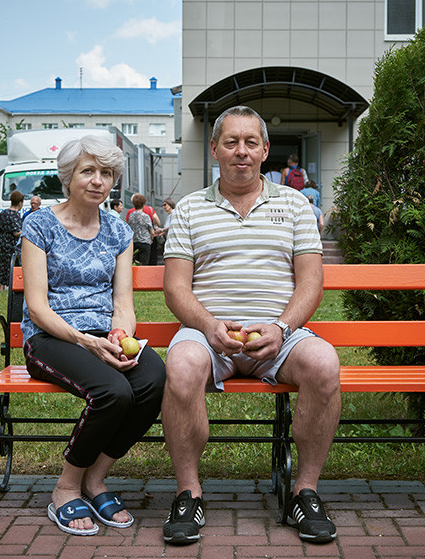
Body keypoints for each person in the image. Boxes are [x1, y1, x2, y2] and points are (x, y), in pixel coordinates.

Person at [160, 106, 340, 545]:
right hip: (208, 334)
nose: (241, 151)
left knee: (324, 363)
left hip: (279, 334)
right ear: (215, 149)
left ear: (264, 150)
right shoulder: (189, 209)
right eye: (231, 142)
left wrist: (281, 327)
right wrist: (208, 325)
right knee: (180, 366)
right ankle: (188, 494)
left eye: (250, 142)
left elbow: (311, 282)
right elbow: (176, 288)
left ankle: (305, 493)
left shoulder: (295, 204)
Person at [19, 135, 166, 536]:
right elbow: (37, 308)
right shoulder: (39, 225)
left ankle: (96, 479)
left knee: (153, 380)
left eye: (106, 173)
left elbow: (123, 302)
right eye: (88, 171)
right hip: (51, 337)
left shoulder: (118, 230)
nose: (98, 180)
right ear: (68, 177)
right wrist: (86, 342)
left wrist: (119, 335)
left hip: (104, 335)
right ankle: (66, 487)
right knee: (113, 392)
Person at [0, 191, 23, 291]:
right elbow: (16, 232)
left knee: (1, 265)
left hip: (2, 242)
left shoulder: (4, 213)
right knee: (12, 266)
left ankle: (1, 287)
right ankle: (11, 287)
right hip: (11, 244)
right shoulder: (15, 215)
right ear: (20, 203)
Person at [127, 193, 155, 265]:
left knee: (135, 263)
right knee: (144, 264)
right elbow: (152, 231)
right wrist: (151, 239)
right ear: (143, 204)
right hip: (145, 243)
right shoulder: (146, 216)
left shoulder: (131, 216)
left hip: (134, 242)